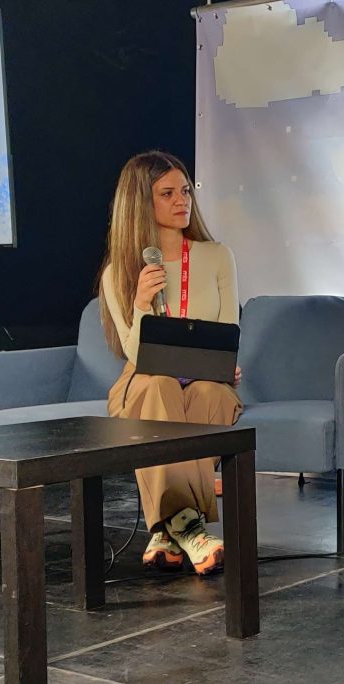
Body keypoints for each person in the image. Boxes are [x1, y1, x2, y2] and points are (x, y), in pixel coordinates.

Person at [98, 150, 242, 576]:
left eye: (185, 191)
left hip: (206, 376)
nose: (183, 201)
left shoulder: (217, 256)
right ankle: (191, 528)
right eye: (167, 194)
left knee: (210, 392)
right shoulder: (117, 272)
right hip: (143, 379)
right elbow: (135, 355)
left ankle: (168, 530)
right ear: (141, 203)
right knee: (159, 385)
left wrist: (221, 364)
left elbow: (227, 331)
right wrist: (142, 303)